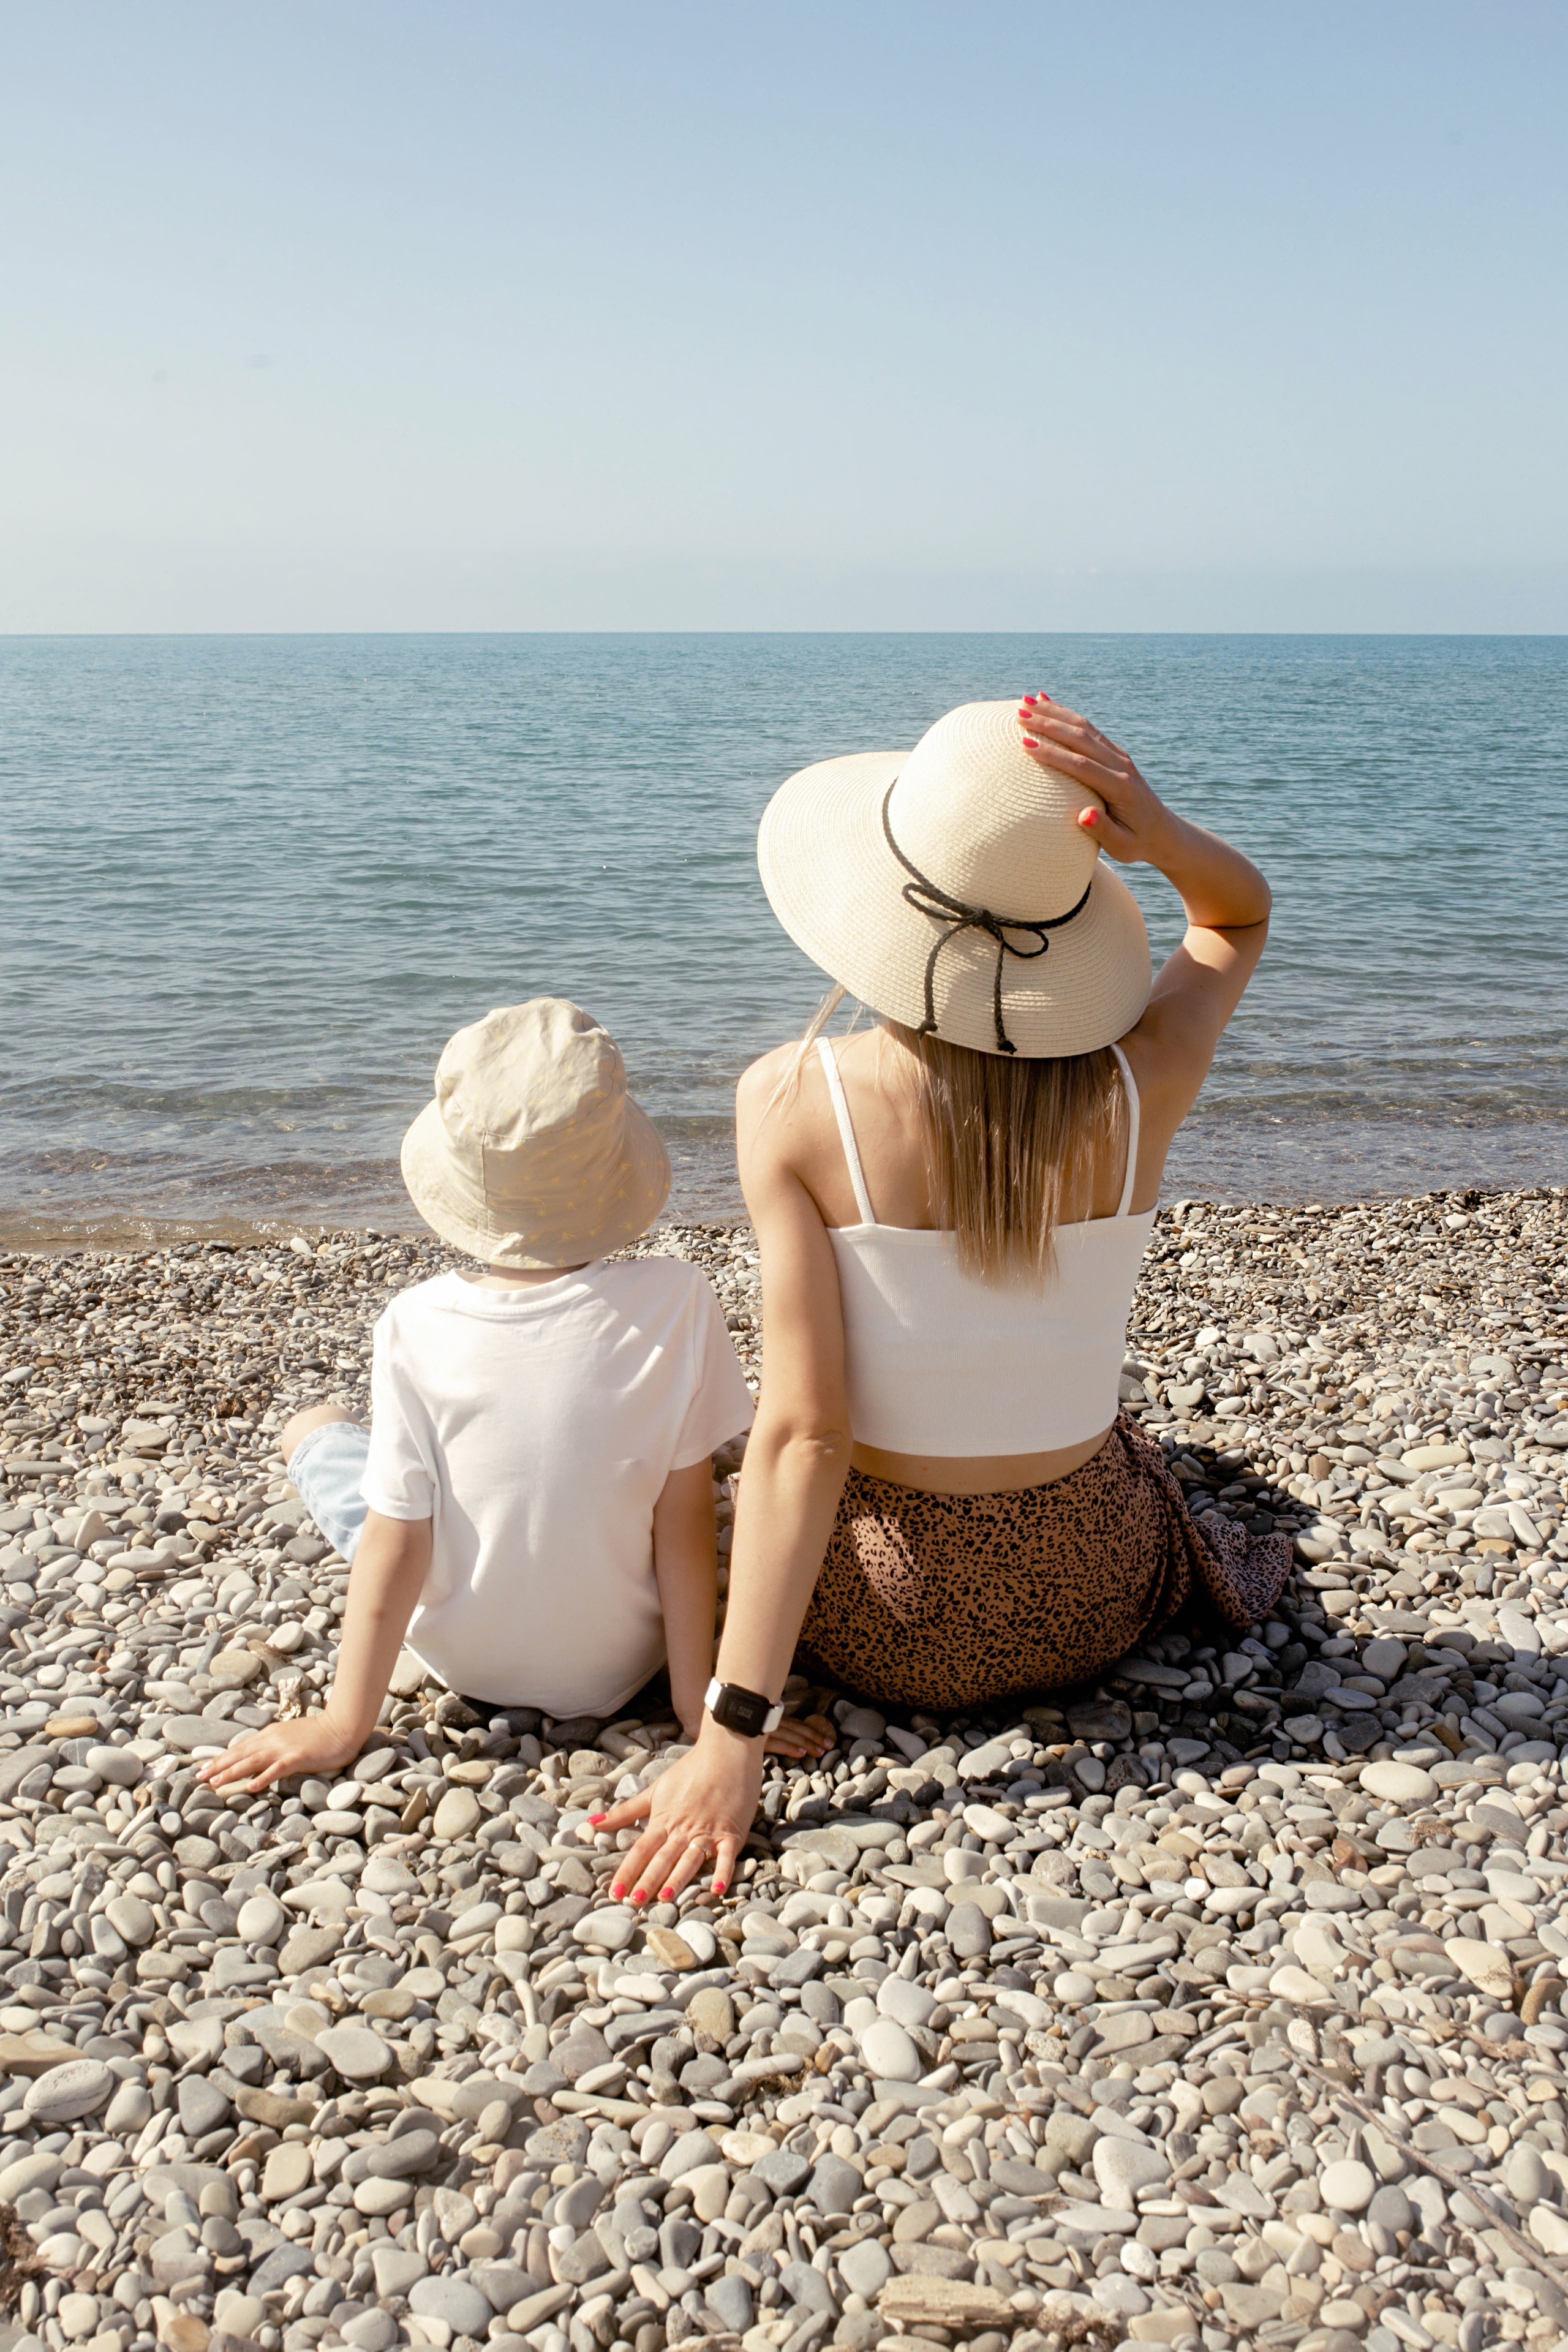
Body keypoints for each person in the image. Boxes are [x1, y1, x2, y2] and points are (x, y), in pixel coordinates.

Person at [600, 695, 1292, 1903]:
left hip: (884, 1622)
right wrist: (1159, 833)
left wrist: (732, 1733)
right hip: (1094, 1596)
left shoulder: (791, 1100)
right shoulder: (1147, 1075)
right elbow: (1236, 914)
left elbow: (805, 1434)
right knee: (1132, 1450)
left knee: (713, 1474)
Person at [200, 996, 823, 1800]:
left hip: (463, 1655)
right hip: (620, 1667)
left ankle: (311, 1437)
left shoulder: (414, 1324)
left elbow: (400, 1543)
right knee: (685, 1460)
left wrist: (342, 1724)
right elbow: (683, 1519)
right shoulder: (679, 1299)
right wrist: (695, 1704)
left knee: (340, 1455)